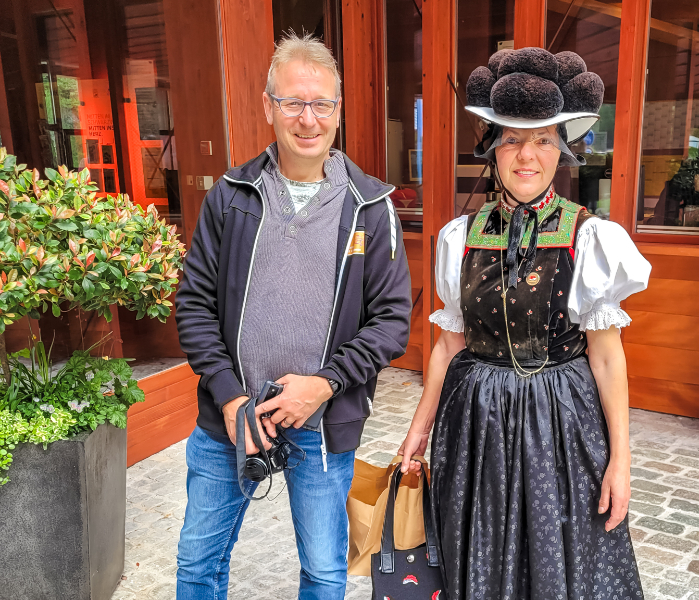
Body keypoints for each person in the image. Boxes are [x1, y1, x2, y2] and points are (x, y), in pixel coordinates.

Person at [398, 47, 651, 599]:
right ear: (492, 148)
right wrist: (418, 433)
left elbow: (606, 358)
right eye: (512, 138)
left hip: (560, 426)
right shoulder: (460, 237)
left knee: (560, 558)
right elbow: (447, 347)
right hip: (477, 424)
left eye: (541, 140)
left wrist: (622, 462)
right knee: (478, 550)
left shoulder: (589, 237)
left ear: (561, 150)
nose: (526, 154)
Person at [174, 32, 412, 600]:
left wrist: (323, 385)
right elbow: (194, 304)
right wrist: (231, 399)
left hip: (322, 424)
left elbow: (392, 320)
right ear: (268, 106)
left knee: (325, 573)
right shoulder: (231, 196)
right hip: (228, 418)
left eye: (321, 104)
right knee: (196, 566)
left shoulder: (371, 209)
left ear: (338, 111)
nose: (308, 119)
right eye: (293, 102)